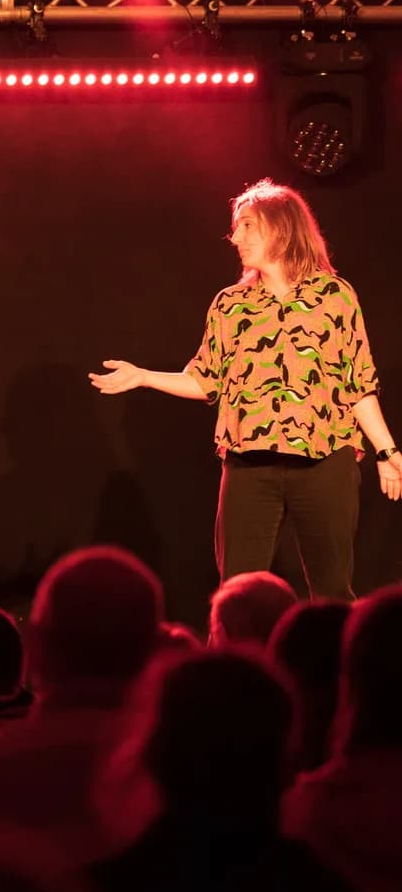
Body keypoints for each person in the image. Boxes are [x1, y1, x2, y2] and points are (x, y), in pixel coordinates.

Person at [91, 178, 401, 600]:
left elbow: (358, 384)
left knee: (332, 592)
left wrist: (386, 451)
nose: (235, 237)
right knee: (237, 592)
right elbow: (205, 379)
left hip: (325, 462)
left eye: (247, 225)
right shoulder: (231, 305)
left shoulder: (334, 297)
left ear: (281, 227)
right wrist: (144, 376)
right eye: (236, 227)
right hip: (249, 466)